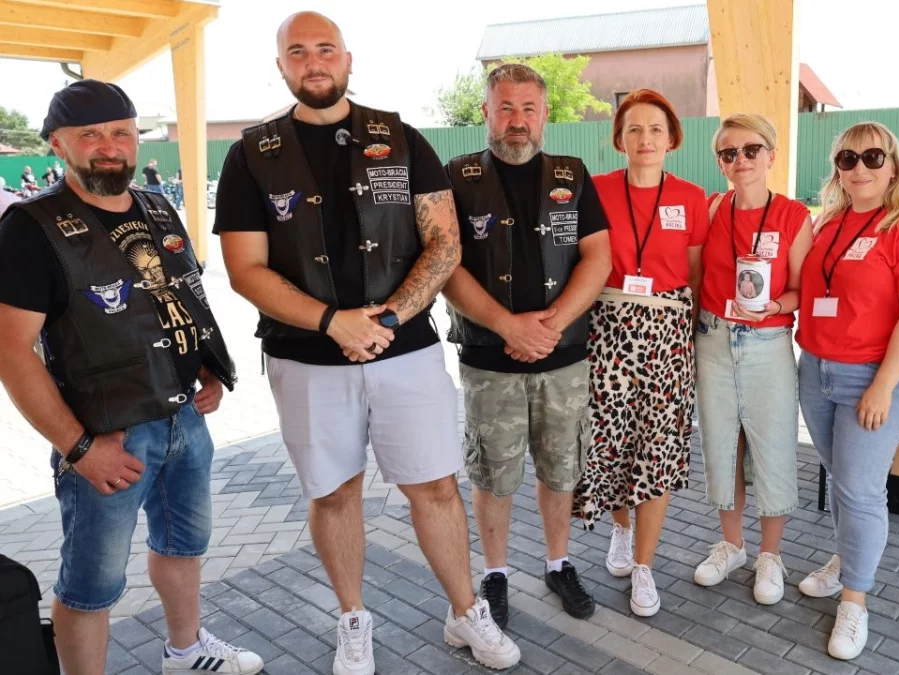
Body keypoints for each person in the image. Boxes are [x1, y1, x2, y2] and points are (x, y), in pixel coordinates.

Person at [215, 12, 519, 673]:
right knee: (333, 493)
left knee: (435, 486)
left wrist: (383, 320)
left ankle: (465, 611)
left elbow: (445, 243)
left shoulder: (401, 138)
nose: (313, 62)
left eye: (326, 49)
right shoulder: (251, 155)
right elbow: (245, 269)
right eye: (298, 52)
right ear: (281, 66)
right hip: (306, 357)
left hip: (405, 351)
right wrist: (334, 322)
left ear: (348, 59)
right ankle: (353, 619)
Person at [0, 80, 261, 675]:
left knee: (183, 546)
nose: (109, 147)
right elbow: (11, 351)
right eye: (89, 135)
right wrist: (79, 447)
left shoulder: (157, 206)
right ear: (57, 144)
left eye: (120, 132)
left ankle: (186, 650)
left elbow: (172, 297)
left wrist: (205, 366)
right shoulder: (30, 227)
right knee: (91, 586)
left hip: (184, 421)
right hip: (108, 439)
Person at [442, 63, 611, 628]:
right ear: (486, 113)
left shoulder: (572, 174)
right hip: (489, 360)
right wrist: (508, 326)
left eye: (528, 109)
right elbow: (446, 265)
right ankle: (495, 573)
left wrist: (548, 327)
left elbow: (598, 257)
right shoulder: (456, 177)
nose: (518, 121)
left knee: (561, 467)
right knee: (493, 471)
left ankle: (558, 564)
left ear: (545, 115)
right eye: (506, 108)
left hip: (564, 357)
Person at [795, 122, 899, 659]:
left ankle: (855, 600)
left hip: (877, 376)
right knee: (842, 480)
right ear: (837, 168)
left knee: (860, 490)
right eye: (847, 158)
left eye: (872, 157)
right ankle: (847, 560)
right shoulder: (828, 223)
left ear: (893, 165)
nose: (859, 168)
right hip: (817, 370)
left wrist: (883, 386)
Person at [572, 88, 707, 617]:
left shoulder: (691, 198)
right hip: (608, 330)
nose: (645, 138)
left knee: (659, 445)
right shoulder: (597, 190)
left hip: (668, 335)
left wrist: (686, 339)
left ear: (671, 139)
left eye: (655, 129)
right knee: (611, 440)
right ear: (619, 139)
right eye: (634, 129)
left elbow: (695, 274)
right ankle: (620, 529)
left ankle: (645, 565)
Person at [692, 113, 813, 605]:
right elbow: (694, 276)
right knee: (723, 444)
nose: (740, 159)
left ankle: (771, 555)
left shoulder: (793, 216)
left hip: (767, 342)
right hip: (713, 340)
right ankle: (732, 545)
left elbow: (803, 290)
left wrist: (774, 305)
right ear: (720, 162)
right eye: (728, 152)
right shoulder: (711, 209)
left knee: (772, 445)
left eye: (751, 149)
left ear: (771, 156)